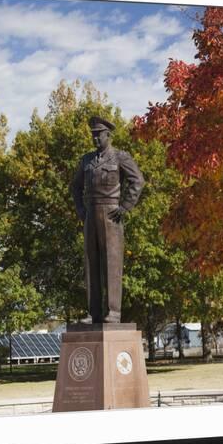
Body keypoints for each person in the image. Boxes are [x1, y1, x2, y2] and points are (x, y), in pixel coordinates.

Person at [71, 116, 144, 323]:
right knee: (91, 263)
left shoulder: (120, 157)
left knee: (112, 262)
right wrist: (80, 210)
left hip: (112, 213)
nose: (95, 139)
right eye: (93, 135)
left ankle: (113, 312)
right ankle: (92, 312)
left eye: (99, 135)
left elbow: (137, 180)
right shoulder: (86, 160)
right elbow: (75, 187)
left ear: (108, 135)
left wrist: (125, 206)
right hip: (91, 214)